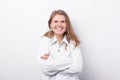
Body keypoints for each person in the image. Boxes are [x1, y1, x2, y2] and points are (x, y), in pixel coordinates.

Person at [38, 9, 83, 80]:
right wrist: (69, 61)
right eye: (55, 21)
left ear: (67, 24)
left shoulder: (73, 42)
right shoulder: (45, 40)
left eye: (62, 21)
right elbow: (45, 68)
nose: (59, 24)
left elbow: (78, 68)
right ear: (50, 25)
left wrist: (51, 60)